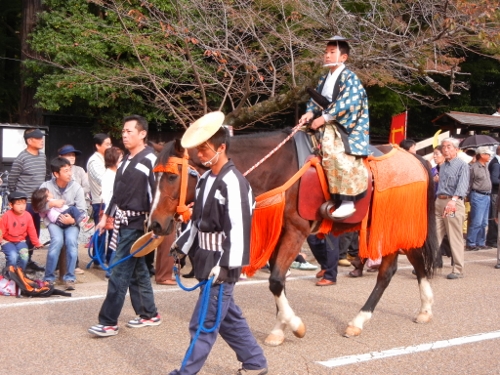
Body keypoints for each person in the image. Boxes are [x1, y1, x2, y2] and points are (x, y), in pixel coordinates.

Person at [170, 112, 268, 375]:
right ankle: (255, 362)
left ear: (221, 147)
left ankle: (185, 372)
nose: (199, 154)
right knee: (227, 318)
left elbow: (239, 228)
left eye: (204, 148)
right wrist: (181, 247)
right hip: (205, 256)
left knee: (204, 322)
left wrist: (226, 266)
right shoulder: (205, 180)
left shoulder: (234, 182)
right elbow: (196, 220)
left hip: (222, 260)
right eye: (198, 148)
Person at [88, 115, 161, 337]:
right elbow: (118, 194)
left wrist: (155, 227)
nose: (124, 135)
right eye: (123, 131)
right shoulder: (127, 159)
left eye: (129, 131)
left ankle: (108, 321)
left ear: (142, 134)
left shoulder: (151, 160)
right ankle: (149, 314)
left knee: (119, 271)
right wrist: (105, 217)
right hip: (123, 221)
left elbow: (157, 195)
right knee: (137, 272)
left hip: (138, 223)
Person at [299, 36, 369, 220]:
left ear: (344, 57)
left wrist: (323, 119)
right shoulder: (325, 78)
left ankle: (347, 201)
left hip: (344, 126)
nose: (327, 56)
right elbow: (318, 101)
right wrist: (309, 113)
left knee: (334, 151)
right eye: (326, 52)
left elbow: (350, 103)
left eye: (332, 52)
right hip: (327, 120)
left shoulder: (349, 78)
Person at [40, 157, 87, 290]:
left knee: (71, 241)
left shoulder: (76, 187)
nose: (69, 173)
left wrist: (72, 220)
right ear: (56, 173)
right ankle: (49, 277)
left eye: (69, 170)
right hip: (54, 221)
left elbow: (83, 210)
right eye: (65, 171)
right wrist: (51, 204)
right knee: (57, 241)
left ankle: (70, 277)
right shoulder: (45, 187)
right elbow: (38, 207)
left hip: (72, 221)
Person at [8, 128, 47, 272]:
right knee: (23, 233)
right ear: (30, 141)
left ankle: (28, 260)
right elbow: (12, 180)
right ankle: (20, 263)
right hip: (26, 203)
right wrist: (18, 200)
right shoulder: (21, 158)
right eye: (38, 138)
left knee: (35, 232)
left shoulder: (42, 157)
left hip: (38, 202)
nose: (42, 140)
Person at [435, 138, 469, 279]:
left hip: (451, 202)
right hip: (439, 201)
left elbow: (462, 185)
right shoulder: (443, 165)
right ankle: (429, 263)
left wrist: (454, 201)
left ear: (456, 149)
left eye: (449, 147)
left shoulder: (462, 165)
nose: (445, 149)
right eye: (444, 147)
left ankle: (458, 269)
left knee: (454, 236)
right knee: (434, 234)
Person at [0, 191, 43, 270]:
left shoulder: (28, 216)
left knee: (24, 257)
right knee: (13, 256)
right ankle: (9, 274)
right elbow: (1, 230)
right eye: (18, 204)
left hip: (21, 241)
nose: (22, 207)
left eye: (24, 203)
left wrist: (36, 243)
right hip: (7, 241)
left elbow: (32, 230)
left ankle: (20, 274)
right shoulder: (6, 216)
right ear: (11, 205)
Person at [87, 134, 112, 262]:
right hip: (100, 201)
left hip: (111, 200)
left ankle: (109, 258)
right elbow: (103, 180)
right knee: (101, 231)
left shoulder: (106, 159)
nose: (110, 146)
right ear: (98, 146)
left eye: (110, 144)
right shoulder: (94, 161)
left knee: (112, 232)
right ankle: (98, 258)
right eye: (107, 144)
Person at [100, 146, 124, 271]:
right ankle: (112, 269)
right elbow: (108, 197)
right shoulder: (109, 175)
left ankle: (112, 266)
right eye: (120, 157)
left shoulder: (116, 173)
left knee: (114, 240)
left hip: (114, 210)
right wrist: (108, 214)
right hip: (113, 210)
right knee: (116, 241)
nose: (122, 159)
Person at [466, 146, 493, 251]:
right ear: (482, 155)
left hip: (486, 195)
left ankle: (480, 242)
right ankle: (471, 242)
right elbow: (469, 182)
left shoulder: (485, 166)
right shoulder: (474, 167)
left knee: (484, 222)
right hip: (477, 195)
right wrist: (468, 195)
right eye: (488, 154)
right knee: (477, 220)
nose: (489, 156)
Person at [486, 145, 500, 247]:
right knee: (495, 217)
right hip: (495, 193)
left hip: (495, 193)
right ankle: (492, 239)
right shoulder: (496, 164)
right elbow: (494, 180)